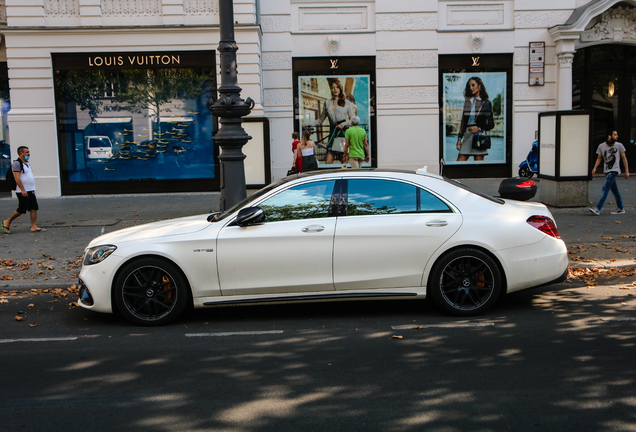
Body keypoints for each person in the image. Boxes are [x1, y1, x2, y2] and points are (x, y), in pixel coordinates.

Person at [307, 78, 356, 164]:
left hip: (342, 133)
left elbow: (354, 120)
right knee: (328, 162)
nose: (335, 89)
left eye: (337, 87)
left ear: (340, 88)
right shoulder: (327, 102)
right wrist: (308, 124)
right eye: (333, 87)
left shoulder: (346, 102)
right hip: (332, 133)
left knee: (344, 161)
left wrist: (343, 124)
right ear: (330, 89)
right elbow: (320, 120)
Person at [1, 146, 46, 234]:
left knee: (34, 208)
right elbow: (17, 178)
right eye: (26, 152)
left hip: (31, 190)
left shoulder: (27, 163)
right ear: (21, 153)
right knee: (22, 209)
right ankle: (7, 221)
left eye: (29, 152)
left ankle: (34, 226)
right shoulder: (17, 164)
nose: (29, 154)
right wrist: (23, 190)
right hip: (23, 191)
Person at [590, 130, 629, 215]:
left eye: (617, 134)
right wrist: (595, 168)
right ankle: (621, 208)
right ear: (609, 136)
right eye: (615, 134)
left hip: (614, 170)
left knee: (605, 189)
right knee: (615, 190)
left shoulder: (619, 146)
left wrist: (626, 170)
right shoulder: (601, 146)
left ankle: (598, 208)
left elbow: (624, 158)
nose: (617, 136)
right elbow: (599, 158)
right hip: (607, 170)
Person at [456, 77, 494, 162]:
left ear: (479, 86)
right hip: (467, 134)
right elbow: (463, 122)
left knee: (478, 167)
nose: (471, 88)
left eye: (473, 85)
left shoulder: (486, 103)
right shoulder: (468, 101)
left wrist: (479, 128)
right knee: (459, 163)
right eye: (469, 86)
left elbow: (491, 124)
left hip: (478, 136)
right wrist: (459, 138)